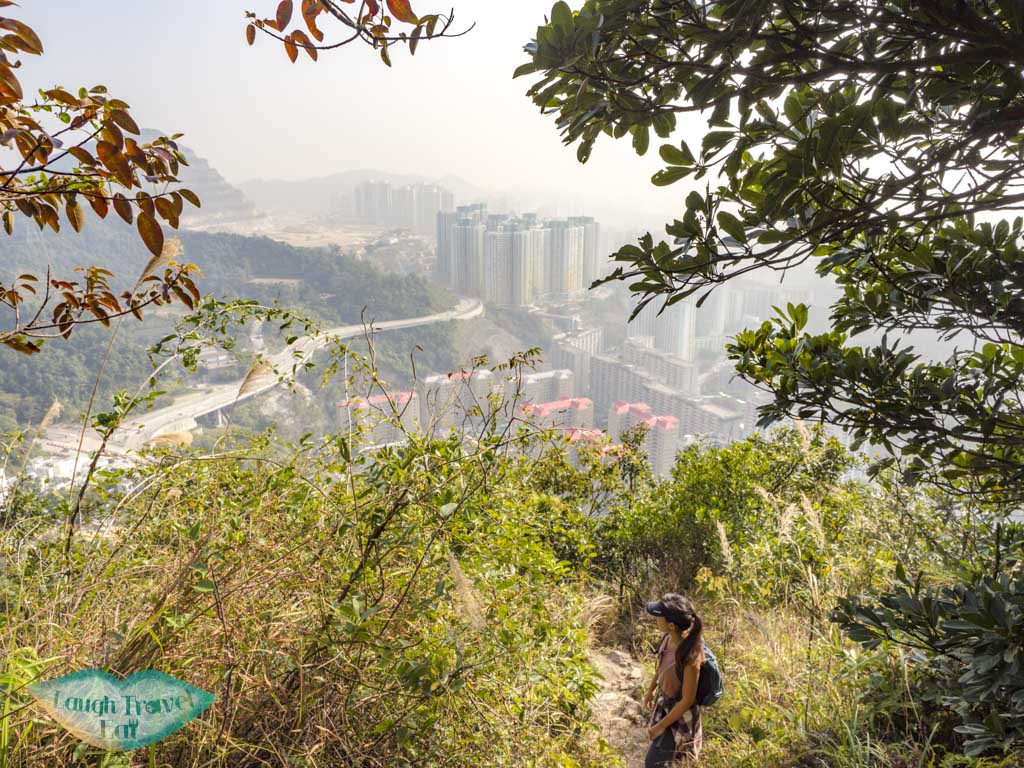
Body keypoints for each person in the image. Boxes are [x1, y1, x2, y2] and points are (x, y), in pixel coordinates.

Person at [642, 593, 704, 767]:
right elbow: (661, 665)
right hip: (665, 706)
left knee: (653, 763)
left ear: (671, 625)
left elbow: (687, 701)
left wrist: (660, 726)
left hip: (679, 715)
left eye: (659, 616)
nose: (656, 619)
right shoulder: (667, 638)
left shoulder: (690, 656)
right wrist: (651, 689)